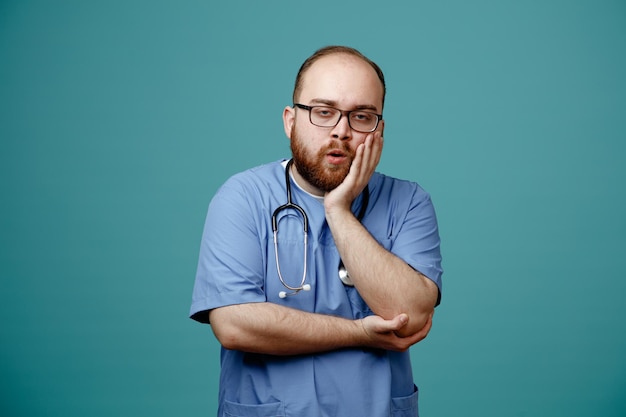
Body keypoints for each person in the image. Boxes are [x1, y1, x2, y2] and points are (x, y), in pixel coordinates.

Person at [190, 45, 443, 417]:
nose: (341, 131)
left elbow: (412, 316)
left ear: (379, 131)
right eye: (323, 112)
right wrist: (359, 332)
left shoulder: (408, 202)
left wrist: (338, 211)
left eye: (361, 116)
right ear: (290, 121)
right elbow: (233, 324)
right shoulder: (243, 197)